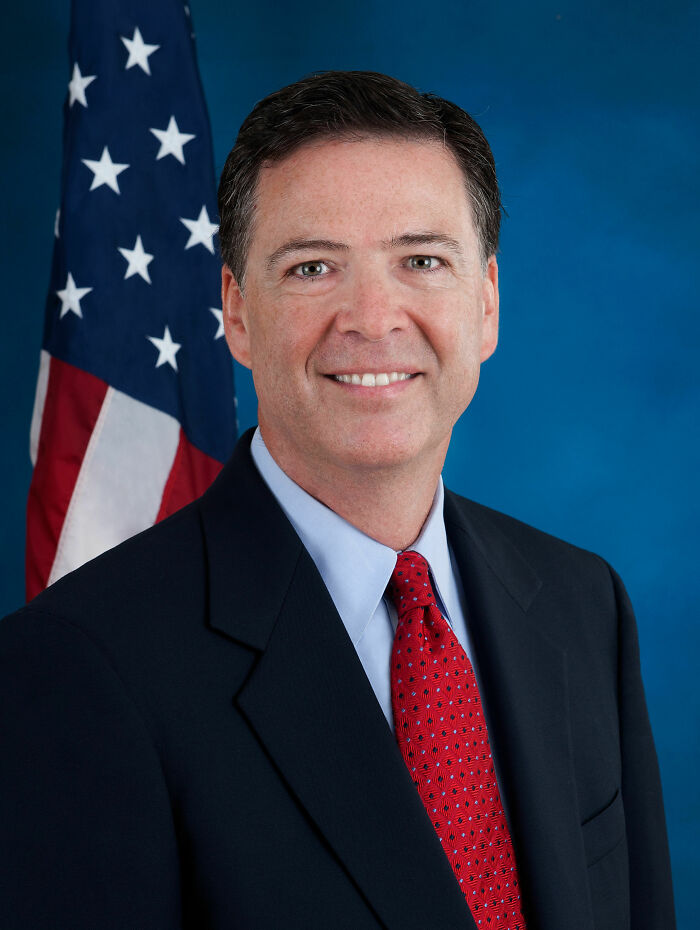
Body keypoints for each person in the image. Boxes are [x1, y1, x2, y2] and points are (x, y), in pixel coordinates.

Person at [0, 71, 674, 929]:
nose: (372, 317)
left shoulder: (585, 606)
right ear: (237, 314)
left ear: (488, 302)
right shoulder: (78, 666)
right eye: (313, 266)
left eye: (421, 260)